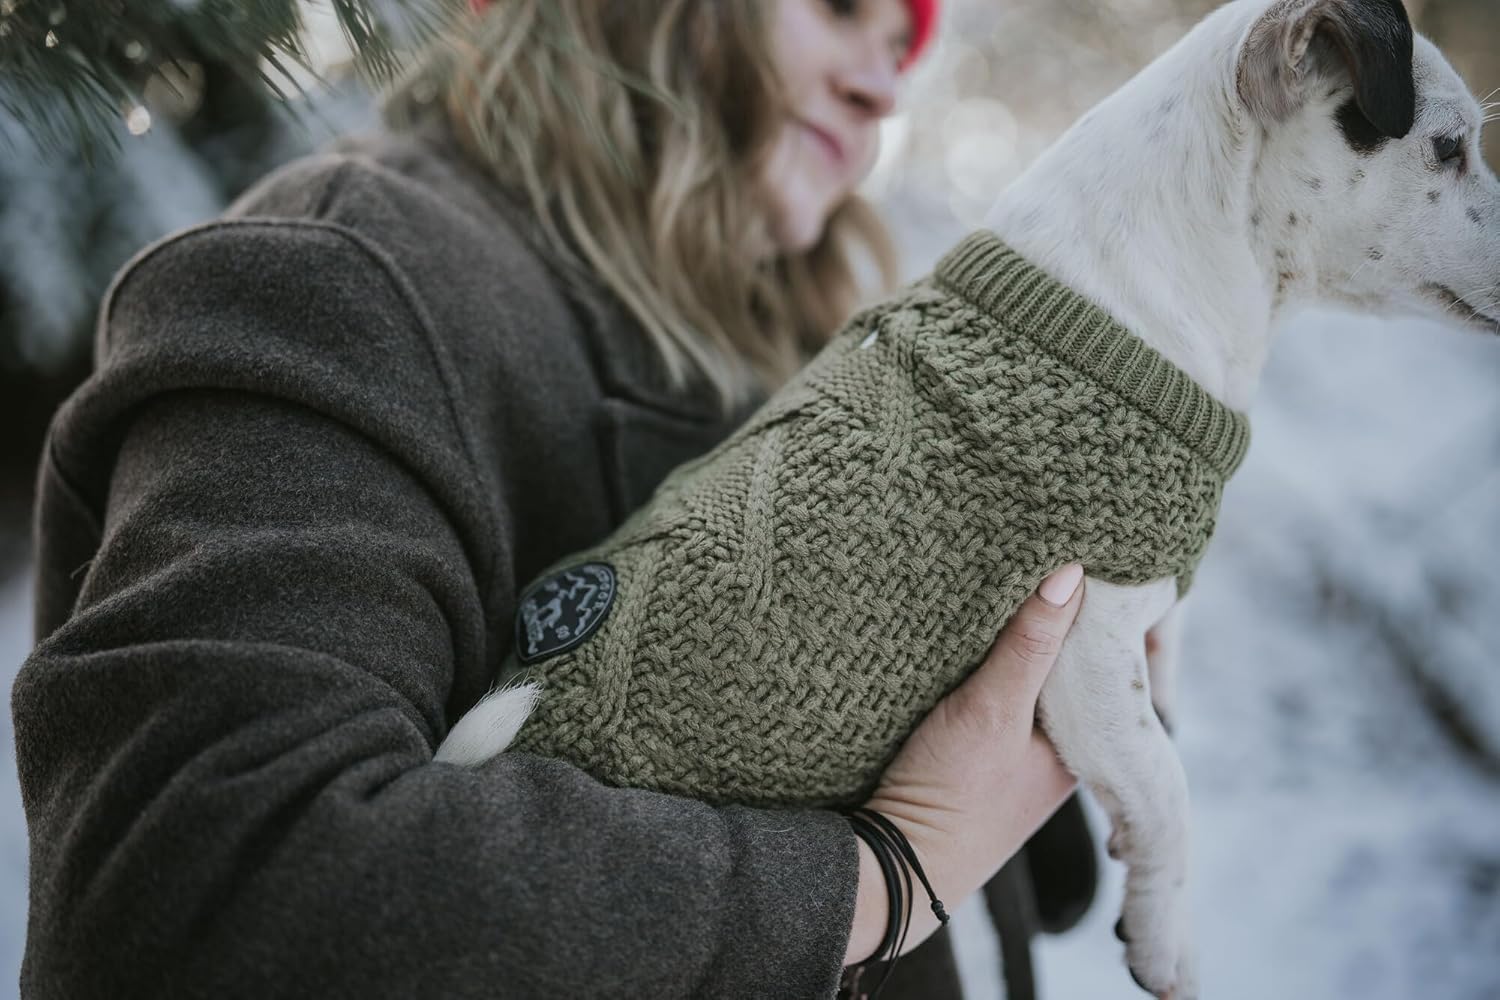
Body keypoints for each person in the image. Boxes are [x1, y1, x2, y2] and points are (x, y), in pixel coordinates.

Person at [12, 0, 1096, 996]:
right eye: (842, 9)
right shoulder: (344, 274)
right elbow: (209, 889)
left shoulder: (797, 362)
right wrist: (877, 879)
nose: (882, 88)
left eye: (902, 48)